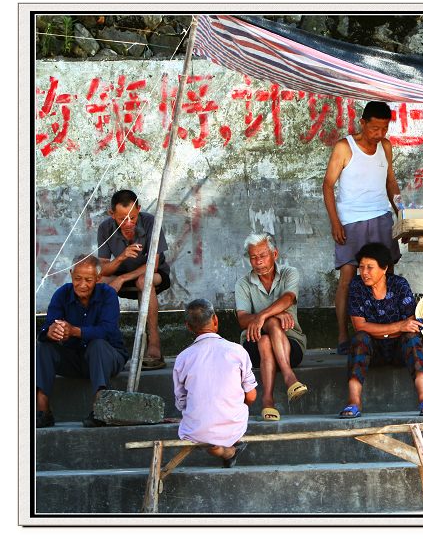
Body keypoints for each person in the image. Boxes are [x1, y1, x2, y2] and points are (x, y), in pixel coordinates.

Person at [323, 101, 402, 355]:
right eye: (375, 128)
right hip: (351, 221)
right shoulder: (344, 147)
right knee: (348, 277)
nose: (379, 134)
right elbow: (327, 186)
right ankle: (344, 335)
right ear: (363, 123)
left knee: (387, 276)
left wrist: (402, 216)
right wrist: (335, 222)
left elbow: (391, 183)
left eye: (384, 128)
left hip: (381, 216)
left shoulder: (386, 147)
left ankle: (390, 332)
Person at [338, 243, 423, 418]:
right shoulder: (357, 286)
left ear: (384, 268)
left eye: (370, 267)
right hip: (372, 351)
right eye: (361, 267)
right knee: (360, 339)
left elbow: (411, 323)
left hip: (399, 351)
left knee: (412, 337)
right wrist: (398, 326)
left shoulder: (399, 285)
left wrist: (387, 330)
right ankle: (354, 401)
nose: (364, 272)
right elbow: (360, 326)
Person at [36, 255, 128, 428]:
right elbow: (46, 327)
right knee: (43, 347)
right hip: (75, 359)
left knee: (98, 344)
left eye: (88, 280)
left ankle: (100, 408)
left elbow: (108, 331)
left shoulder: (108, 295)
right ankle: (42, 410)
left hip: (107, 358)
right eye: (77, 279)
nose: (82, 284)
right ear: (71, 274)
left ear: (98, 279)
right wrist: (52, 332)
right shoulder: (62, 293)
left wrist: (75, 331)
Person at [173, 299, 257, 468]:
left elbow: (181, 403)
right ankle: (229, 451)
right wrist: (234, 407)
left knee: (204, 436)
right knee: (213, 436)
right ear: (215, 320)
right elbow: (252, 395)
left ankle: (228, 452)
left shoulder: (182, 358)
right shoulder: (237, 351)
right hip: (234, 426)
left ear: (188, 327)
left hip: (196, 430)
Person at [235, 234, 308, 422]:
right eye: (253, 257)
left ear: (274, 254)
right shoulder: (243, 283)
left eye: (263, 256)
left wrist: (262, 316)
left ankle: (267, 401)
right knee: (267, 333)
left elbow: (288, 298)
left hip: (291, 345)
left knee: (270, 331)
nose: (258, 262)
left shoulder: (289, 273)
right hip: (253, 345)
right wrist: (269, 318)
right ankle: (289, 377)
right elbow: (242, 320)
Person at [97, 189, 170, 370]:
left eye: (133, 217)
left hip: (153, 274)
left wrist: (122, 278)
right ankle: (101, 342)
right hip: (121, 272)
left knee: (143, 281)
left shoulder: (151, 222)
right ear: (111, 213)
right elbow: (104, 269)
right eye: (122, 219)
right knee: (97, 284)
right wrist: (121, 257)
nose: (129, 223)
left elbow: (153, 265)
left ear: (139, 209)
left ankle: (154, 345)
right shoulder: (105, 228)